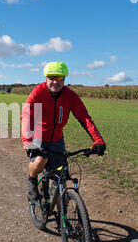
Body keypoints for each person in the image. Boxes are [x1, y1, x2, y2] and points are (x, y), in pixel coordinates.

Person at [21, 61, 106, 202]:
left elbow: (84, 118)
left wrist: (98, 140)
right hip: (38, 137)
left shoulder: (70, 96)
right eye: (52, 77)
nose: (55, 82)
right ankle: (32, 180)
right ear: (46, 78)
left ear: (64, 79)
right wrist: (28, 142)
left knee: (61, 180)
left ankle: (63, 221)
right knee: (41, 160)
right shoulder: (38, 92)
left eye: (59, 78)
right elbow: (27, 115)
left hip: (57, 140)